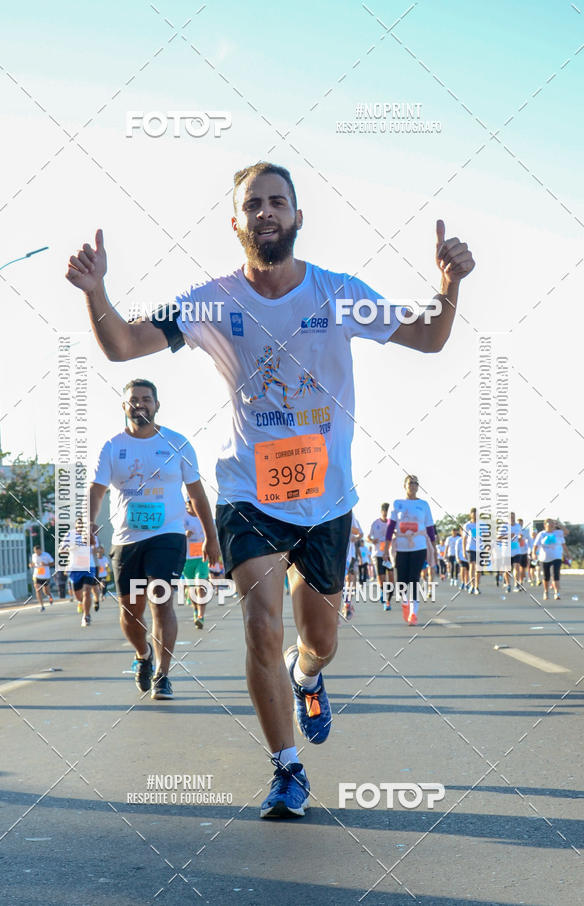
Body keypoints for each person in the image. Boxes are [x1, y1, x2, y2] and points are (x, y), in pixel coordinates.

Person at [67, 161, 474, 818]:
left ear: (297, 217)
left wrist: (449, 284)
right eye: (252, 203)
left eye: (277, 201)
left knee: (320, 641)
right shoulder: (212, 302)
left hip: (326, 500)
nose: (266, 212)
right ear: (236, 223)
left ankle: (307, 677)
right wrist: (95, 291)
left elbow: (428, 335)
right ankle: (287, 768)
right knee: (260, 624)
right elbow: (121, 345)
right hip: (247, 496)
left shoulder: (339, 294)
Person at [88, 379, 219, 700]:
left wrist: (211, 537)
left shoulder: (177, 443)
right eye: (133, 400)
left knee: (162, 602)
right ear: (124, 406)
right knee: (131, 611)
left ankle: (163, 674)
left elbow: (197, 494)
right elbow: (97, 489)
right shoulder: (111, 446)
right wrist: (87, 524)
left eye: (146, 399)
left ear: (157, 405)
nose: (140, 404)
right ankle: (143, 654)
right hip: (127, 540)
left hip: (168, 536)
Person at [382, 475, 436, 625]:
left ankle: (413, 612)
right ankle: (405, 603)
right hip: (401, 546)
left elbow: (430, 528)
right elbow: (390, 527)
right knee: (401, 582)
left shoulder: (423, 505)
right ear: (404, 486)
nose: (413, 485)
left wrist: (434, 548)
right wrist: (386, 549)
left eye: (415, 483)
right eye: (410, 483)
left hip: (418, 545)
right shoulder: (397, 504)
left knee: (414, 579)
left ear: (418, 487)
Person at [59, 517, 98, 626]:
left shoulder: (90, 534)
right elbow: (61, 549)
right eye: (78, 525)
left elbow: (96, 549)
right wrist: (72, 547)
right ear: (75, 526)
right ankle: (81, 602)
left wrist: (94, 546)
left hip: (89, 566)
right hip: (75, 568)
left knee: (87, 590)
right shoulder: (70, 534)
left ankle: (86, 616)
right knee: (78, 595)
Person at [182, 497, 214, 629]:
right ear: (187, 504)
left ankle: (201, 616)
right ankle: (195, 610)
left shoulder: (205, 516)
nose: (192, 506)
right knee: (192, 588)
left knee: (200, 584)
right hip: (187, 559)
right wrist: (185, 535)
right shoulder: (181, 517)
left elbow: (213, 535)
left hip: (202, 558)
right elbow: (174, 534)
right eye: (190, 504)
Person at [532, 519, 568, 601]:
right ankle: (546, 591)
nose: (552, 526)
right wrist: (533, 553)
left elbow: (566, 532)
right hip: (544, 558)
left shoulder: (558, 533)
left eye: (553, 525)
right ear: (545, 525)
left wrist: (560, 525)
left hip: (557, 557)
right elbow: (535, 546)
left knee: (556, 575)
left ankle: (556, 593)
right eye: (550, 525)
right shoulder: (541, 534)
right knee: (546, 576)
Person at [368, 502, 394, 609]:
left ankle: (388, 601)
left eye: (387, 512)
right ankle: (383, 594)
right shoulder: (375, 523)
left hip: (389, 556)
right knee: (382, 579)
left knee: (391, 579)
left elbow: (397, 534)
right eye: (384, 511)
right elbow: (368, 537)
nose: (385, 514)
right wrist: (372, 540)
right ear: (381, 511)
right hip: (378, 555)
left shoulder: (391, 524)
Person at [461, 508, 482, 594]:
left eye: (476, 513)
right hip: (470, 548)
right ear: (470, 515)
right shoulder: (467, 525)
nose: (474, 515)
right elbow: (464, 539)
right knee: (472, 566)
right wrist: (463, 551)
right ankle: (472, 586)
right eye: (473, 513)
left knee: (478, 569)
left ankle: (477, 586)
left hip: (480, 549)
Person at [29, 544, 54, 611]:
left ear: (41, 550)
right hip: (37, 576)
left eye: (38, 552)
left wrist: (45, 564)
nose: (37, 553)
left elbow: (53, 563)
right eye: (35, 552)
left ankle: (50, 596)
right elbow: (33, 563)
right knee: (37, 590)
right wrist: (31, 565)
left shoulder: (46, 555)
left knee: (46, 592)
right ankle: (42, 606)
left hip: (46, 576)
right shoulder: (34, 556)